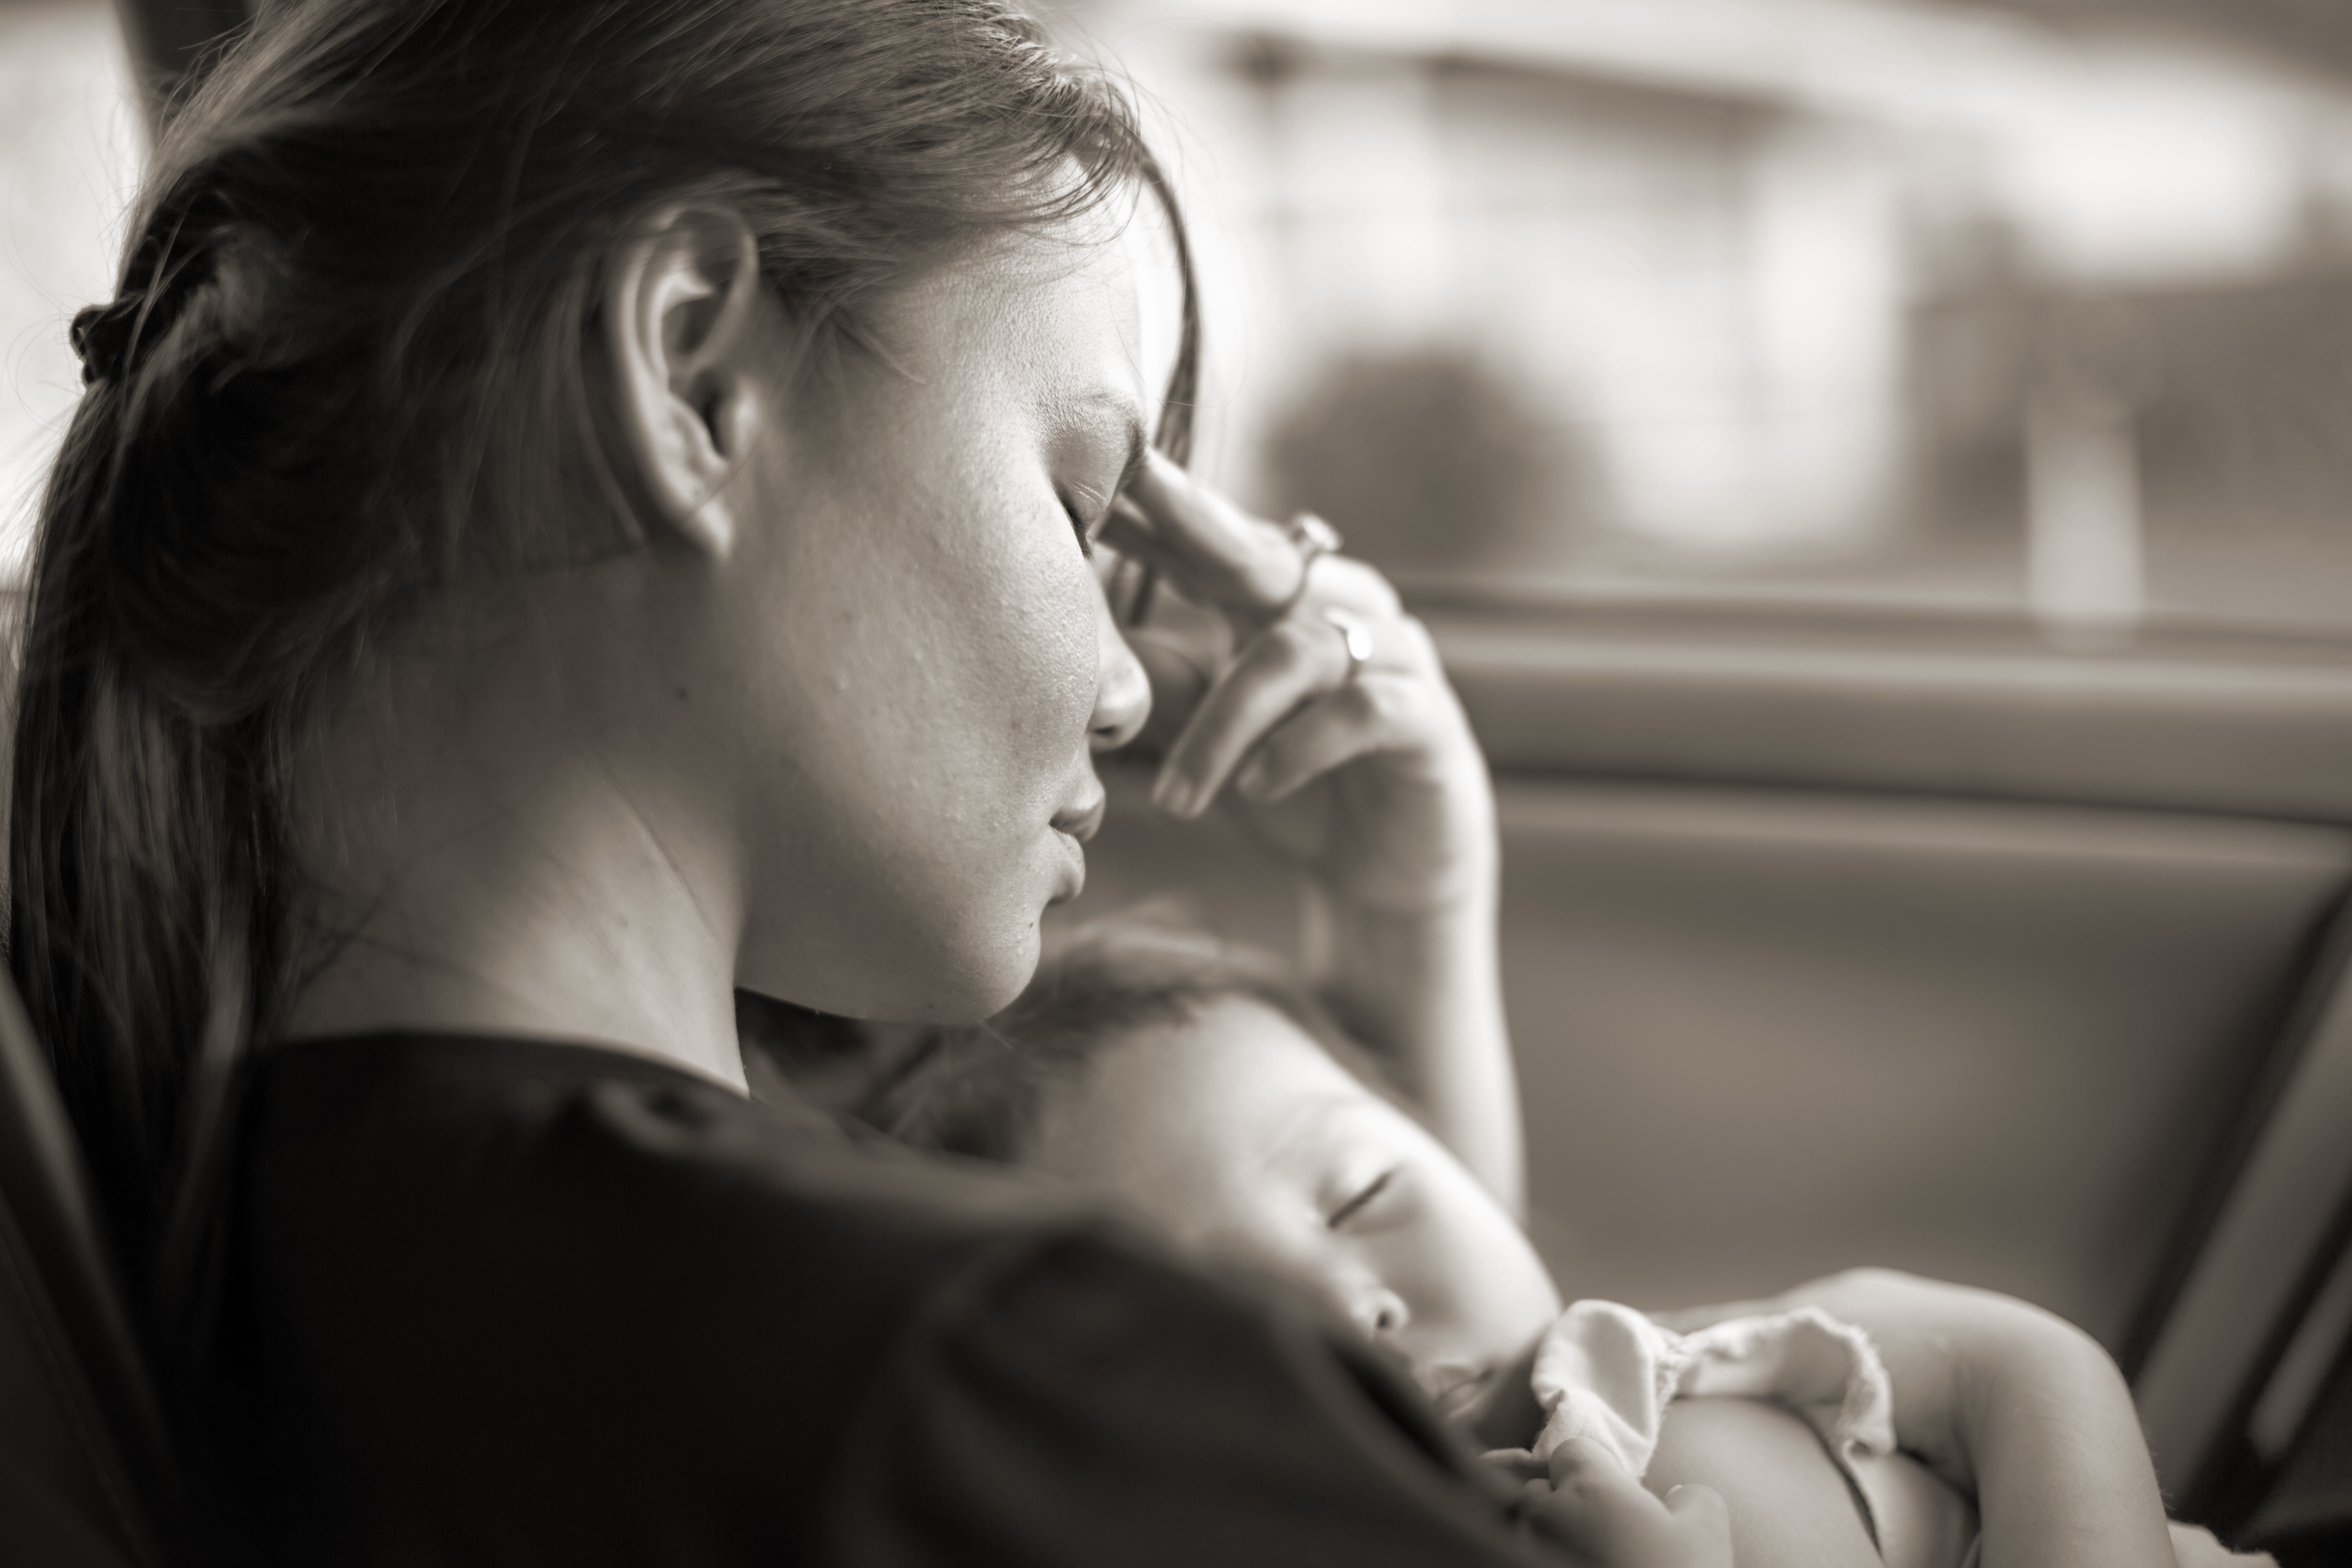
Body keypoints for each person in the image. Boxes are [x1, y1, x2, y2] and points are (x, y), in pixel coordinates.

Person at [0, 0, 2188, 1563]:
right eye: (1080, 501)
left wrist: (1405, 956)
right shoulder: (990, 1371)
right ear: (690, 374)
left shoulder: (270, 1234)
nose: (1130, 692)